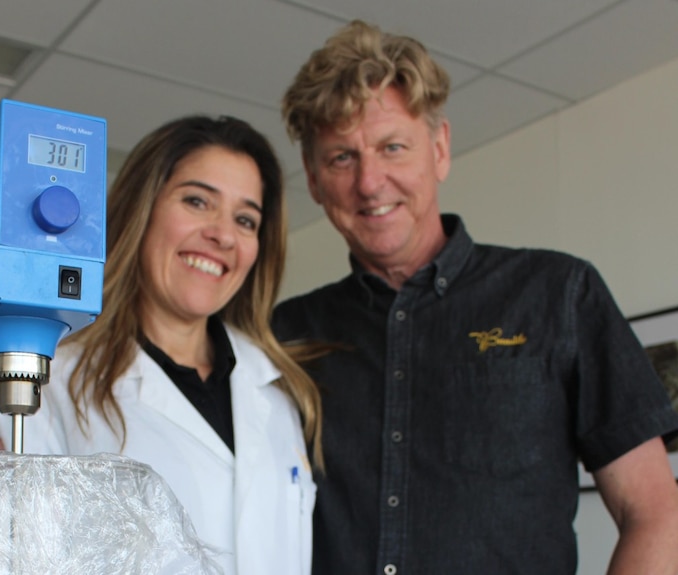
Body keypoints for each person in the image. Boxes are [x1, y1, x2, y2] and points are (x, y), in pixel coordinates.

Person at [271, 19, 678, 575]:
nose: (369, 182)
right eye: (342, 158)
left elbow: (655, 511)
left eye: (393, 147)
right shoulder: (284, 335)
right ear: (314, 181)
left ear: (439, 150)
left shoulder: (559, 294)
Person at [0, 115, 321, 575]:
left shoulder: (277, 392)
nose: (222, 234)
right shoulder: (49, 380)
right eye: (197, 201)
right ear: (144, 209)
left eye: (245, 219)